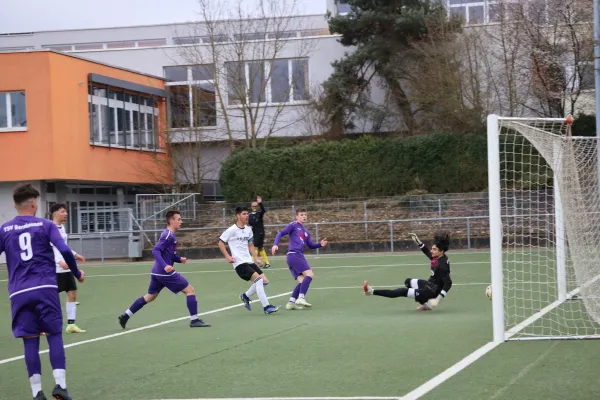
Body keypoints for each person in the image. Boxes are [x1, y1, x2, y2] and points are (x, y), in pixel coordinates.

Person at [0, 183, 84, 400]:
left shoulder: (5, 229)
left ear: (16, 205)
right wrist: (76, 272)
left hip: (18, 292)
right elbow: (64, 250)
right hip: (45, 287)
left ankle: (37, 392)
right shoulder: (45, 225)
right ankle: (60, 386)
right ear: (34, 203)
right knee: (54, 334)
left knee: (30, 340)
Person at [118, 210, 211, 329]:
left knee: (150, 296)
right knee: (190, 290)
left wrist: (178, 259)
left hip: (156, 272)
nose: (181, 222)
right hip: (164, 273)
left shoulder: (170, 235)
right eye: (179, 219)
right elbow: (155, 250)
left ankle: (125, 316)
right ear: (171, 220)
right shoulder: (168, 235)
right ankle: (195, 320)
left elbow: (168, 255)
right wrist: (165, 266)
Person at [363, 232, 452, 311]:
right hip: (430, 285)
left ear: (442, 251)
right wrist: (418, 241)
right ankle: (426, 305)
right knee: (408, 282)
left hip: (431, 291)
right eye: (432, 248)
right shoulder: (438, 257)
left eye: (434, 249)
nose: (432, 251)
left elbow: (448, 283)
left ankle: (371, 291)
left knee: (401, 291)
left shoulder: (443, 265)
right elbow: (428, 253)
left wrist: (437, 300)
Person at [218, 206, 280, 315]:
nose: (247, 216)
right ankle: (267, 307)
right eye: (244, 214)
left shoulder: (248, 230)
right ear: (238, 216)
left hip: (249, 262)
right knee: (259, 280)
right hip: (239, 263)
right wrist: (228, 257)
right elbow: (220, 243)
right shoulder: (232, 230)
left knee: (265, 281)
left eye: (247, 214)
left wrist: (256, 258)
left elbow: (251, 245)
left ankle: (245, 295)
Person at [272, 208, 328, 310]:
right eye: (301, 215)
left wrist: (320, 244)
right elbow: (280, 233)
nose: (304, 216)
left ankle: (291, 302)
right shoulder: (293, 225)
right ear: (297, 216)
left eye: (305, 215)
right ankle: (301, 298)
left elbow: (310, 245)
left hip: (294, 256)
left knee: (302, 282)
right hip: (295, 254)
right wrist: (275, 245)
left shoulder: (306, 232)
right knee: (310, 275)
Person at [49, 203, 86, 333]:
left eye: (66, 211)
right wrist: (59, 261)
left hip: (66, 268)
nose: (66, 214)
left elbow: (63, 246)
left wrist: (75, 254)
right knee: (48, 298)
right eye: (63, 211)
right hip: (54, 270)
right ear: (55, 213)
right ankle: (40, 325)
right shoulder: (50, 228)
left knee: (72, 293)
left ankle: (71, 325)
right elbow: (49, 249)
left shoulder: (62, 228)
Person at [248, 196, 270, 268]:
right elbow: (249, 224)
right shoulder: (250, 215)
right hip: (254, 233)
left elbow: (263, 210)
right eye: (253, 206)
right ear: (251, 207)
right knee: (260, 248)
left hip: (260, 233)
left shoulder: (259, 214)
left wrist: (260, 203)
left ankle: (251, 264)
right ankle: (267, 263)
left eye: (256, 206)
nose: (254, 207)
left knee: (255, 247)